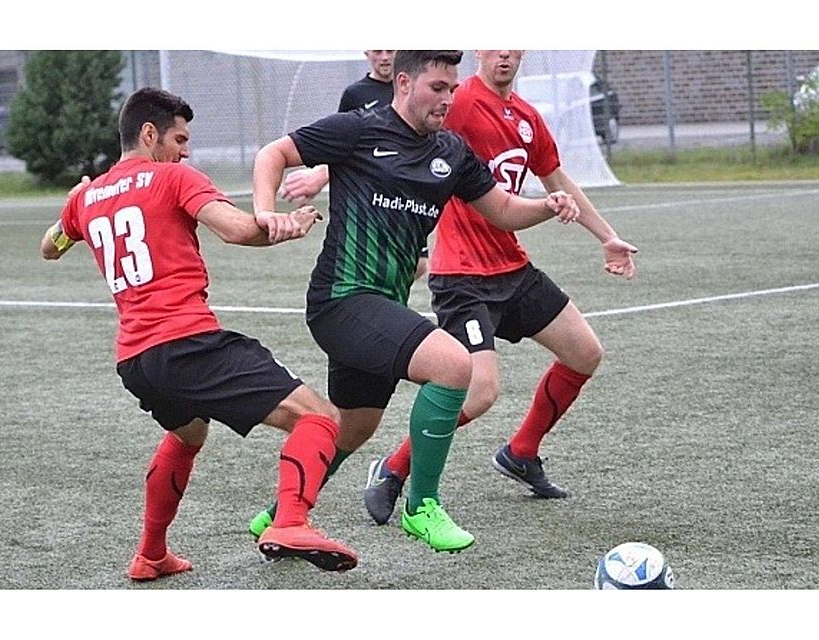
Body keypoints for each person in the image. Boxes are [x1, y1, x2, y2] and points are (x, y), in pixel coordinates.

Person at [248, 51, 582, 553]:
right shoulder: (358, 130)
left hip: (381, 304)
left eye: (452, 88)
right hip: (340, 299)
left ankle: (282, 512)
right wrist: (264, 211)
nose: (448, 99)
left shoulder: (451, 152)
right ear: (403, 83)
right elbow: (272, 154)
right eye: (437, 87)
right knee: (452, 365)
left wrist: (546, 206)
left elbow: (504, 211)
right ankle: (421, 506)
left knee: (354, 427)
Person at [40, 87, 357, 580]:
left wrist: (72, 205)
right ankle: (291, 522)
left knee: (187, 434)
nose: (185, 150)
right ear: (149, 134)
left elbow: (50, 247)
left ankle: (150, 554)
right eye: (180, 138)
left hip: (135, 361)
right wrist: (285, 223)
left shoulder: (87, 196)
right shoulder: (173, 177)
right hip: (185, 342)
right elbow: (235, 229)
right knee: (319, 416)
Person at [363, 50, 639, 524]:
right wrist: (326, 171)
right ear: (479, 49)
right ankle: (392, 468)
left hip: (512, 269)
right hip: (462, 277)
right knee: (480, 391)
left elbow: (557, 177)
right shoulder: (462, 101)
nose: (505, 51)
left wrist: (607, 236)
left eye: (514, 42)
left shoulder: (527, 117)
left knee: (584, 353)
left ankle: (521, 452)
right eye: (495, 41)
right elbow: (401, 134)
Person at [278, 50, 430, 282]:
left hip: (409, 193)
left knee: (418, 263)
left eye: (390, 50)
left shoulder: (418, 90)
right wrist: (320, 174)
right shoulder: (356, 94)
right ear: (366, 51)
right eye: (378, 50)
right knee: (369, 258)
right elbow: (342, 146)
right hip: (370, 197)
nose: (385, 56)